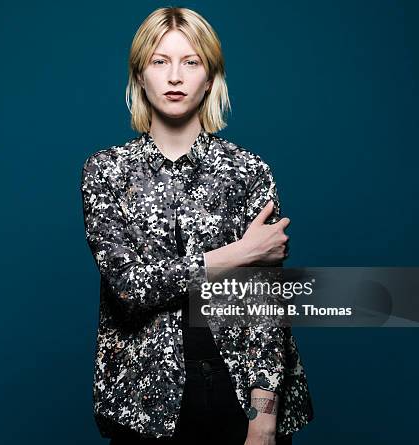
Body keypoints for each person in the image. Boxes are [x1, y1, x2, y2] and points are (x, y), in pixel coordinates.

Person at [81, 7, 314, 444]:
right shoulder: (106, 171)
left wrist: (263, 421)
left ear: (210, 78)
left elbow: (263, 308)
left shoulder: (248, 171)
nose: (174, 77)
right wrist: (238, 254)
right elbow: (129, 287)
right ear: (139, 76)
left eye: (190, 62)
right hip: (143, 404)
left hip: (236, 395)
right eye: (159, 61)